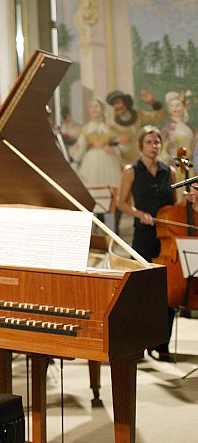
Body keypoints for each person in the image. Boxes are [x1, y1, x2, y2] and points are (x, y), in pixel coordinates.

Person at [117, 125, 180, 362]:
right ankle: (140, 344)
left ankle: (162, 345)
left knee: (168, 288)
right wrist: (139, 213)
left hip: (166, 237)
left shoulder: (170, 172)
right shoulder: (131, 171)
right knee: (141, 291)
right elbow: (122, 203)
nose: (154, 147)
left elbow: (174, 205)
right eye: (149, 142)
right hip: (143, 234)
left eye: (157, 143)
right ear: (141, 145)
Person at [106, 89, 166, 165]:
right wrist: (117, 140)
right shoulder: (113, 124)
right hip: (126, 164)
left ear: (125, 102)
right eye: (114, 105)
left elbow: (160, 117)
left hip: (145, 161)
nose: (116, 107)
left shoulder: (139, 115)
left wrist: (152, 102)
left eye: (118, 103)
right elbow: (107, 140)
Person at [74, 99, 122, 187]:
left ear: (102, 109)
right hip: (91, 160)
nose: (94, 109)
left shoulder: (110, 128)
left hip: (108, 159)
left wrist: (114, 150)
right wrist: (75, 162)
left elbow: (119, 144)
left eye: (96, 106)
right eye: (92, 107)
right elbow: (81, 146)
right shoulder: (87, 128)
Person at [160, 91, 195, 165]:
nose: (175, 108)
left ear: (183, 107)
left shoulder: (190, 128)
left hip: (190, 166)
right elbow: (162, 151)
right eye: (172, 106)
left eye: (177, 105)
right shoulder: (167, 129)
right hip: (175, 166)